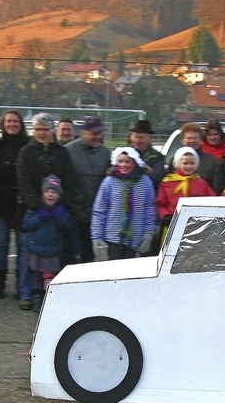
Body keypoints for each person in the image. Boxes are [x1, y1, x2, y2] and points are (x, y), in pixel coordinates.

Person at [16, 113, 80, 310]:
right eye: (38, 130)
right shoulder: (26, 152)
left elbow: (69, 179)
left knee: (54, 256)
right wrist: (37, 205)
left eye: (45, 129)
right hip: (34, 210)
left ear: (52, 130)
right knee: (28, 255)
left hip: (57, 209)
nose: (42, 133)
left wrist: (61, 203)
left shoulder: (61, 153)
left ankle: (50, 292)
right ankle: (26, 293)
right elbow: (23, 181)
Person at [0, 110, 29, 299]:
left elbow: (26, 174)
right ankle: (0, 283)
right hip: (1, 202)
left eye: (15, 121)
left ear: (20, 124)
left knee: (22, 246)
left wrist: (9, 167)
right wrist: (9, 168)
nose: (12, 124)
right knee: (2, 244)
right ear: (3, 124)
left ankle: (21, 286)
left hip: (21, 203)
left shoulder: (27, 145)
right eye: (8, 121)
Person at [91, 147, 156, 261]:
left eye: (127, 161)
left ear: (135, 163)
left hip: (135, 236)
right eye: (120, 161)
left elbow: (149, 208)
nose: (123, 165)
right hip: (113, 236)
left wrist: (149, 232)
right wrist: (96, 235)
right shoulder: (109, 181)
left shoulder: (145, 182)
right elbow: (100, 209)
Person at [22, 175, 74, 312]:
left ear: (59, 195)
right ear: (42, 194)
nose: (50, 195)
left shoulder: (61, 211)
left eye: (54, 192)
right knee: (36, 278)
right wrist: (40, 217)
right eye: (47, 191)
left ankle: (49, 299)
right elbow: (26, 224)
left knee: (50, 277)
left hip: (52, 251)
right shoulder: (36, 209)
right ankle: (37, 300)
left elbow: (68, 226)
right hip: (36, 250)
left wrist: (60, 217)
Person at [65, 116, 111, 263]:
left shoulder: (105, 152)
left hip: (95, 214)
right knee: (72, 252)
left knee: (90, 254)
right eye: (93, 133)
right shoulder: (68, 150)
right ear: (84, 132)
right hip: (74, 213)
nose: (97, 137)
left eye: (99, 133)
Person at [156, 147, 216, 240]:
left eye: (192, 163)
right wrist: (164, 215)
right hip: (172, 224)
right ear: (178, 163)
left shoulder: (201, 183)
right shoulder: (167, 182)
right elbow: (160, 203)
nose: (189, 166)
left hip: (196, 226)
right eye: (185, 163)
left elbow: (212, 202)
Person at [128, 119, 166, 189]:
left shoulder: (157, 157)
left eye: (141, 138)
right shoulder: (123, 153)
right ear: (131, 137)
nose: (137, 141)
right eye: (135, 137)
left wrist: (144, 168)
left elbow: (158, 178)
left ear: (149, 138)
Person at [201, 119, 225, 189]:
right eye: (209, 135)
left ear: (220, 135)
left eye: (215, 134)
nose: (213, 137)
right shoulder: (200, 147)